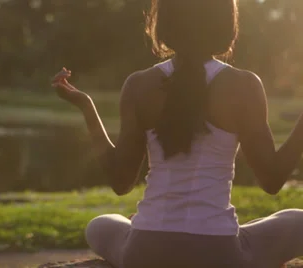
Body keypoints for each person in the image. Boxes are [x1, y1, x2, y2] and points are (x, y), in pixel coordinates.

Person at [51, 0, 303, 267]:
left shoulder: (139, 84)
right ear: (226, 23)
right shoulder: (244, 86)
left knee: (99, 224)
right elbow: (273, 180)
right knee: (298, 220)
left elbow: (121, 182)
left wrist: (86, 106)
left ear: (164, 23)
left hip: (144, 252)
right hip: (220, 254)